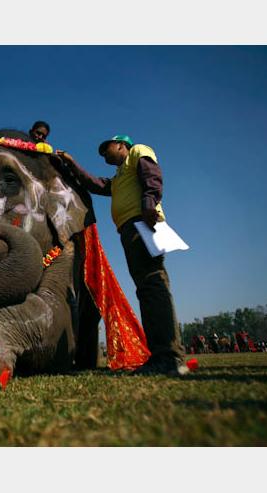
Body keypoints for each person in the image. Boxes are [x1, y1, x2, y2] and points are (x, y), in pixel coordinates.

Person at [56, 134, 187, 376]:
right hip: (130, 229)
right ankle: (163, 354)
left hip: (142, 223)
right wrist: (71, 163)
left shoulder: (138, 151)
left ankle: (169, 357)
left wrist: (148, 204)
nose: (104, 154)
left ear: (122, 145)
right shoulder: (118, 179)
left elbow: (152, 176)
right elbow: (93, 183)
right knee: (146, 288)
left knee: (152, 284)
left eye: (107, 149)